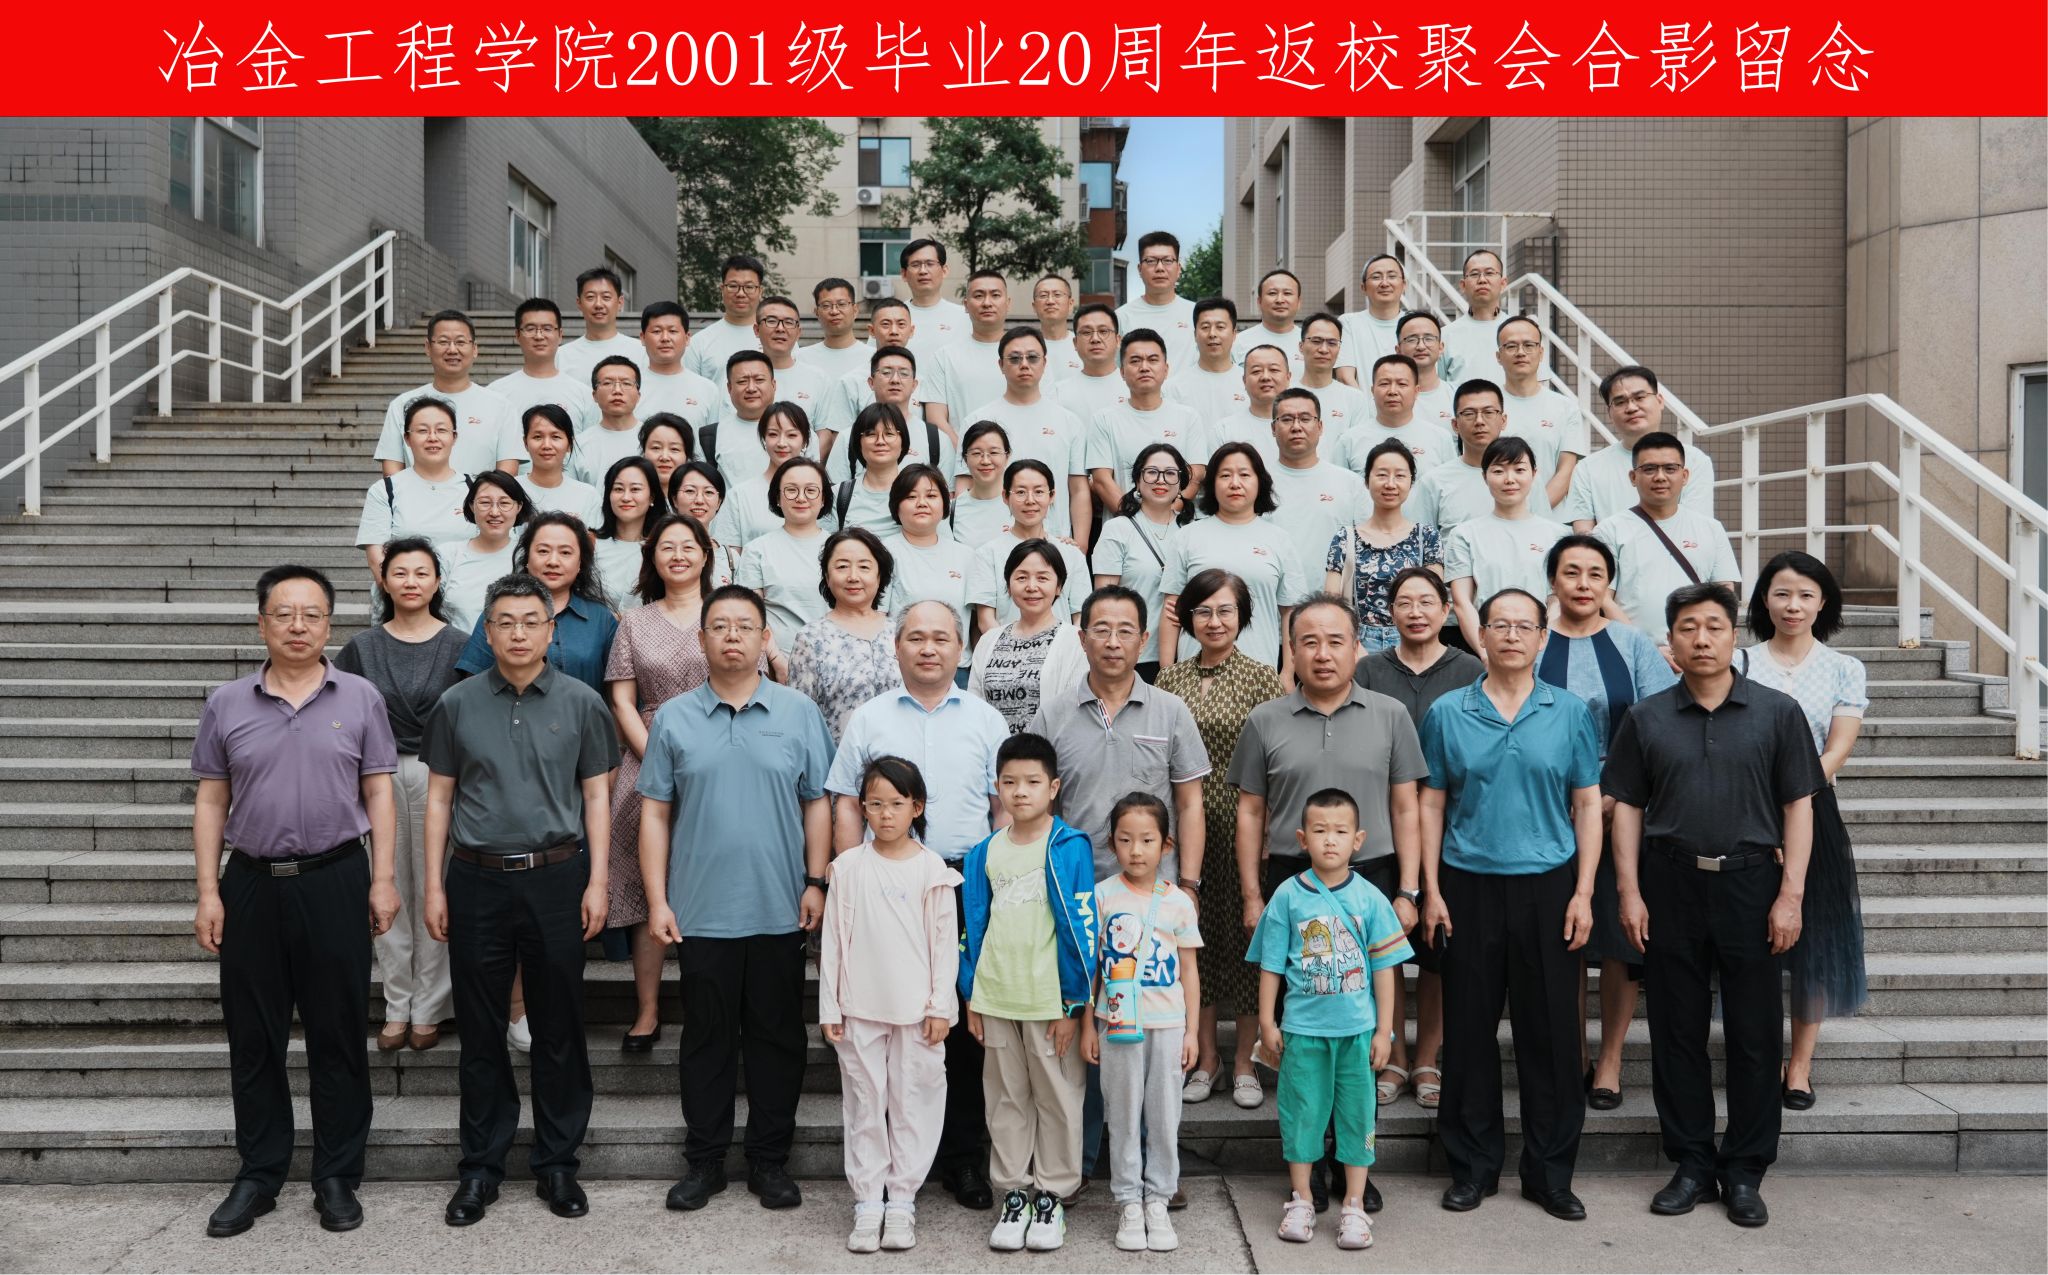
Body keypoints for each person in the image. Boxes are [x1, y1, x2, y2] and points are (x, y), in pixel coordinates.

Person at [1603, 582, 1825, 1228]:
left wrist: (1791, 895)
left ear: (1734, 636)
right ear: (1670, 641)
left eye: (1714, 627)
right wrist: (1629, 891)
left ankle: (1746, 1170)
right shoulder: (1646, 718)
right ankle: (1693, 1163)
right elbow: (1627, 808)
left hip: (1753, 885)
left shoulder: (1777, 713)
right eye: (1688, 628)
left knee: (1755, 1033)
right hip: (1669, 882)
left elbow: (1799, 807)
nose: (1701, 639)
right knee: (1676, 1031)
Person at [191, 565, 399, 1239]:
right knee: (254, 1035)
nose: (298, 625)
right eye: (284, 614)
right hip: (251, 881)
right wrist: (208, 890)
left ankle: (337, 1174)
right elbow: (212, 800)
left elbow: (379, 791)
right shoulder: (227, 703)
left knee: (338, 1030)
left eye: (311, 614)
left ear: (329, 624)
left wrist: (383, 878)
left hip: (336, 876)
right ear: (262, 623)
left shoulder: (360, 697)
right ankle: (259, 1173)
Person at [420, 571, 618, 1227]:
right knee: (480, 1029)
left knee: (559, 1024)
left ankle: (558, 1162)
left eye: (531, 621)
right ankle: (480, 1167)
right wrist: (433, 884)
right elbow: (439, 799)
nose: (518, 633)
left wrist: (598, 880)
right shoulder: (457, 703)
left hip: (557, 875)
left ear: (551, 630)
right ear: (488, 629)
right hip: (475, 877)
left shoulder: (583, 702)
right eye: (504, 621)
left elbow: (597, 796)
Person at [640, 584, 837, 1214]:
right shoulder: (673, 717)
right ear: (701, 639)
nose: (732, 636)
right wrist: (657, 900)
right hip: (701, 910)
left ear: (763, 638)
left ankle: (769, 1161)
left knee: (778, 1038)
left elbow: (818, 802)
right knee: (706, 1039)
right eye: (719, 626)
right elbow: (655, 813)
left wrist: (816, 881)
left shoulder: (798, 712)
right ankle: (704, 1162)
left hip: (780, 906)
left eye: (744, 626)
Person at [1231, 595, 1427, 1213]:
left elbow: (1406, 806)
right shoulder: (1265, 719)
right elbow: (1250, 812)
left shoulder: (1391, 714)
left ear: (1356, 646)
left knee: (1358, 1030)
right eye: (1309, 641)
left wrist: (1408, 889)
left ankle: (1353, 1167)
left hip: (1371, 879)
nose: (1322, 653)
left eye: (1335, 640)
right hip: (1292, 881)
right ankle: (1306, 1171)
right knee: (1301, 1038)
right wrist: (1253, 895)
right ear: (1291, 649)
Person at [1419, 587, 1604, 1221]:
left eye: (1525, 626)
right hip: (1466, 884)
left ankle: (1550, 1174)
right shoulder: (1448, 711)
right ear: (1481, 634)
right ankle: (1472, 1168)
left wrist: (1584, 891)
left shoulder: (1569, 711)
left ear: (1543, 637)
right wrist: (1431, 889)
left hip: (1549, 885)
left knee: (1551, 1034)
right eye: (1500, 625)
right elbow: (1431, 803)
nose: (1511, 636)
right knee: (1469, 1031)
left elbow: (1587, 803)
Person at [827, 601, 1010, 1209]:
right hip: (881, 882)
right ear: (896, 646)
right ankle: (884, 1168)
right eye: (915, 638)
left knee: (959, 1021)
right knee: (885, 1019)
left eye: (941, 638)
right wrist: (849, 878)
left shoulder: (985, 719)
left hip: (964, 883)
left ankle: (961, 1159)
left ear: (961, 649)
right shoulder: (870, 718)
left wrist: (1000, 886)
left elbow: (1002, 808)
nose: (928, 648)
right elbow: (846, 800)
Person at [1538, 537, 1677, 1112]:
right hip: (1547, 812)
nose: (1583, 584)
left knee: (1621, 936)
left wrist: (1615, 794)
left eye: (1595, 574)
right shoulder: (1535, 640)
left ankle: (1611, 1059)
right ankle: (1571, 1053)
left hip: (1624, 809)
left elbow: (1660, 723)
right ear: (1553, 580)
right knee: (1563, 937)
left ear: (1609, 585)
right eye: (1571, 572)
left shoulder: (1631, 643)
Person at [1250, 789, 1412, 1251]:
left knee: (1356, 1116)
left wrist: (1384, 1030)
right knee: (1302, 1113)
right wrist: (1267, 1022)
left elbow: (1384, 970)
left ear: (1358, 840)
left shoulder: (1371, 898)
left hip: (1356, 1032)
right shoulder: (1287, 896)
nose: (1329, 840)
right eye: (1319, 831)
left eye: (1340, 831)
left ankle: (1354, 1205)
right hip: (1303, 1031)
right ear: (1302, 838)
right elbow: (1271, 966)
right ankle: (1301, 1198)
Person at [959, 732, 1099, 1253]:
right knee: (1005, 1099)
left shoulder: (1069, 846)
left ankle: (1053, 1196)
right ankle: (1014, 1192)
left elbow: (1082, 927)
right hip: (997, 996)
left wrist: (1073, 1004)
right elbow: (972, 929)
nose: (1020, 791)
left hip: (1049, 1001)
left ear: (1053, 788)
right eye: (1010, 782)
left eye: (1032, 782)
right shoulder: (983, 853)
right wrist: (972, 995)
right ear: (996, 787)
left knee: (1058, 1098)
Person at [1740, 552, 1870, 1111]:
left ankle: (1799, 1066)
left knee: (1813, 941)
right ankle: (1759, 1055)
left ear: (1823, 603)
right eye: (1782, 593)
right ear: (1764, 600)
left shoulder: (1844, 668)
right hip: (1744, 814)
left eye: (1806, 595)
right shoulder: (1740, 662)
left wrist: (1792, 797)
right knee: (1752, 939)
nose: (1793, 605)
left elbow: (1837, 748)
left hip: (1815, 809)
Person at [820, 756, 963, 1254]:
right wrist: (830, 1006)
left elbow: (944, 945)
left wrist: (941, 1005)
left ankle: (902, 1199)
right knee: (864, 1101)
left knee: (915, 1100)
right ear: (862, 808)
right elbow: (833, 942)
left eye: (896, 804)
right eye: (875, 804)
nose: (885, 814)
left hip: (918, 1011)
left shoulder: (932, 870)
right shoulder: (848, 868)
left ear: (915, 808)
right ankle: (868, 1201)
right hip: (860, 1006)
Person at [1354, 567, 1484, 1111]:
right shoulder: (1368, 669)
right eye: (1404, 602)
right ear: (1389, 612)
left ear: (1447, 611)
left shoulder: (1469, 669)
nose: (1415, 612)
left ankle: (1428, 1055)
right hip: (1380, 829)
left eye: (1427, 602)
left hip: (1451, 827)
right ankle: (1394, 1055)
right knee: (1383, 950)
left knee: (1436, 951)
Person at [1153, 572, 1284, 1111]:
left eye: (1225, 611)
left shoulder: (1263, 679)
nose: (1214, 621)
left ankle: (1245, 1061)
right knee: (1194, 942)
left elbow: (1275, 761)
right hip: (1185, 829)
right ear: (1187, 618)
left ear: (1243, 617)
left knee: (1249, 943)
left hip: (1245, 829)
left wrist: (1270, 828)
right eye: (1203, 611)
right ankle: (1205, 1057)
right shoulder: (1168, 681)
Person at [603, 513, 728, 1053]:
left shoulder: (725, 612)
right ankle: (648, 1009)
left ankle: (715, 1006)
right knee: (643, 885)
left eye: (687, 546)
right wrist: (658, 761)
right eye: (666, 547)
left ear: (706, 554)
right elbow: (622, 700)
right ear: (651, 557)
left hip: (722, 756)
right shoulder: (633, 621)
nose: (677, 555)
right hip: (646, 758)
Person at [338, 540, 468, 1054]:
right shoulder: (362, 648)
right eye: (400, 572)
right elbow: (343, 713)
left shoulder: (460, 645)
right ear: (384, 581)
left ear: (437, 582)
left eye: (421, 572)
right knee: (386, 883)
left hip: (443, 773)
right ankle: (397, 1004)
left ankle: (431, 1006)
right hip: (378, 773)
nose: (411, 581)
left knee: (435, 884)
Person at [1080, 794, 1202, 1254]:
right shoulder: (1102, 896)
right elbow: (1093, 967)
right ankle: (1129, 1200)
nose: (1136, 850)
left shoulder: (1178, 903)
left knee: (1165, 1114)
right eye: (1126, 840)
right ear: (1112, 844)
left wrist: (1192, 1032)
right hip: (1116, 1023)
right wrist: (1089, 1025)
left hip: (1167, 1025)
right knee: (1123, 1113)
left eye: (1147, 840)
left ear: (1166, 845)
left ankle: (1159, 1197)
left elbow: (1189, 971)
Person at [1028, 585, 1211, 882]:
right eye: (1101, 631)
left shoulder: (1171, 710)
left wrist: (1189, 885)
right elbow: (1040, 809)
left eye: (1125, 632)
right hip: (1075, 886)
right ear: (1083, 640)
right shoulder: (1052, 716)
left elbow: (1190, 805)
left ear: (1143, 641)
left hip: (1155, 889)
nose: (1113, 643)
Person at [1159, 443, 1311, 673]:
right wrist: (1167, 671)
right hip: (1194, 674)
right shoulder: (1187, 537)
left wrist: (1288, 674)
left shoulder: (1280, 540)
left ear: (1260, 482)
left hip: (1260, 673)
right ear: (1212, 484)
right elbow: (1171, 612)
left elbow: (1291, 614)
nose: (1235, 483)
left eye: (1244, 474)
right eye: (1225, 475)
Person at [1592, 432, 1741, 646]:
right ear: (1633, 477)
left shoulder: (1711, 529)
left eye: (1670, 468)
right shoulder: (1609, 531)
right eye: (1649, 469)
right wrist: (1644, 649)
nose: (1660, 477)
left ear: (1685, 475)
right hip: (1630, 651)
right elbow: (1603, 599)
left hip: (1696, 650)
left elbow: (1724, 594)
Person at [454, 512, 618, 695]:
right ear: (527, 559)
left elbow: (618, 695)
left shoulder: (601, 619)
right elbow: (473, 688)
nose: (553, 561)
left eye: (565, 552)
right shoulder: (498, 612)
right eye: (543, 551)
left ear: (580, 563)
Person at [965, 328, 1092, 545]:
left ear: (1044, 363)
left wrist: (1080, 547)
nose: (1024, 364)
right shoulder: (978, 420)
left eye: (1032, 357)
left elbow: (1079, 489)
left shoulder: (1069, 422)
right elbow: (965, 485)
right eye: (1014, 358)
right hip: (992, 541)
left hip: (1054, 542)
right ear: (1001, 365)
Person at [1443, 437, 1570, 650]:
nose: (1509, 479)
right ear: (1484, 477)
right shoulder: (1464, 534)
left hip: (1540, 646)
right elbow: (1462, 602)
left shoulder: (1558, 535)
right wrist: (1485, 654)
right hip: (1484, 645)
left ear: (1534, 474)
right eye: (1498, 471)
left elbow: (1556, 599)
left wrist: (1541, 649)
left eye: (1519, 470)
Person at [1561, 365, 1718, 531]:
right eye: (1620, 402)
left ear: (1660, 401)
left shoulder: (1694, 460)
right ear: (1610, 413)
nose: (1631, 408)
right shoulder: (1587, 468)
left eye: (1640, 397)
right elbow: (1583, 532)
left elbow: (1696, 528)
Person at [372, 310, 522, 478]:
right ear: (428, 347)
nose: (452, 350)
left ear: (474, 349)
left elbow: (508, 471)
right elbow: (392, 472)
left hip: (481, 495)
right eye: (443, 342)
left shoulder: (501, 406)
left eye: (460, 342)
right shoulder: (402, 405)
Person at [1326, 439, 1442, 651]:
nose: (1390, 484)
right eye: (1381, 475)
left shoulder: (1427, 537)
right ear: (1366, 481)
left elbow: (1433, 602)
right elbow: (1332, 605)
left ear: (1411, 482)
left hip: (1413, 640)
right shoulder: (1345, 538)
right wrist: (1355, 649)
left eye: (1400, 476)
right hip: (1359, 643)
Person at [789, 527, 901, 742]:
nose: (853, 577)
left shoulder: (899, 633)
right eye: (842, 567)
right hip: (837, 758)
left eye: (864, 567)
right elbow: (799, 716)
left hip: (901, 758)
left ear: (880, 575)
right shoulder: (810, 638)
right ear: (827, 576)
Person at [1091, 445, 1190, 682]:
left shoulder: (1192, 531)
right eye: (1152, 472)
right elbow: (1104, 599)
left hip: (1187, 654)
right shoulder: (1118, 529)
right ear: (1137, 479)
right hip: (1133, 655)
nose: (1161, 480)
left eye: (1170, 473)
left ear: (1181, 483)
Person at [968, 539, 1088, 733]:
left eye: (1042, 578)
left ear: (1059, 586)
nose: (1032, 586)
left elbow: (1075, 711)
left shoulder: (1076, 640)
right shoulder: (989, 640)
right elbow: (974, 706)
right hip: (994, 750)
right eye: (1022, 577)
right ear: (1008, 586)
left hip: (1050, 750)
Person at [966, 459, 1090, 643]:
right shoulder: (987, 554)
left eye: (1039, 492)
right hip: (1006, 653)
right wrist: (1016, 650)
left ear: (1052, 496)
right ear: (1005, 496)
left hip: (1061, 652)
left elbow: (1080, 617)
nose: (1030, 500)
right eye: (1021, 492)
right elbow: (985, 621)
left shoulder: (1071, 554)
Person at [1086, 330, 1206, 511]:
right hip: (1123, 522)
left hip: (1176, 522)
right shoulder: (1104, 419)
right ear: (1122, 372)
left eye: (1152, 360)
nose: (1144, 367)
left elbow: (1195, 476)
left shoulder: (1188, 417)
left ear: (1166, 369)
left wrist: (1166, 515)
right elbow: (1102, 481)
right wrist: (1136, 521)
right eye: (1135, 361)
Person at [356, 397, 475, 580]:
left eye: (441, 430)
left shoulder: (475, 489)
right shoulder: (385, 490)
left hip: (465, 592)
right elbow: (377, 561)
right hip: (405, 594)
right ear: (407, 438)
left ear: (454, 437)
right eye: (422, 431)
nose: (432, 438)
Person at [1267, 388, 1370, 595]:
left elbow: (1367, 548)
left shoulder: (1350, 484)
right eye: (1286, 419)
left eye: (1305, 419)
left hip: (1333, 604)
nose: (1296, 427)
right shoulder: (1257, 483)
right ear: (1273, 428)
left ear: (1320, 426)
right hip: (1270, 603)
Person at [1408, 379, 1548, 531]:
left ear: (1503, 420)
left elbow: (1545, 533)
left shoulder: (1525, 479)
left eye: (1488, 412)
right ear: (1455, 425)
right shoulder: (1434, 482)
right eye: (1469, 414)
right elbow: (1420, 541)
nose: (1479, 421)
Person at [735, 456, 833, 653]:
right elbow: (751, 616)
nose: (801, 498)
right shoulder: (757, 550)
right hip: (776, 657)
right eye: (791, 490)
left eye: (811, 490)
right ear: (778, 498)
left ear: (823, 498)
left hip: (835, 656)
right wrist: (776, 660)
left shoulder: (840, 548)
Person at [878, 465, 976, 663]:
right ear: (896, 505)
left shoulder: (966, 556)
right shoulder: (883, 553)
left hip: (958, 669)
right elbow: (877, 619)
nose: (921, 503)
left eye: (931, 496)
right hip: (902, 668)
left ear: (944, 503)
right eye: (911, 496)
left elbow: (976, 623)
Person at [1493, 315, 1588, 510]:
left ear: (1541, 352)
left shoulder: (1565, 408)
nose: (1521, 352)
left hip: (1550, 519)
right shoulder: (1487, 407)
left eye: (1529, 345)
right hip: (1497, 516)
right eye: (1511, 346)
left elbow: (1565, 472)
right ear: (1498, 356)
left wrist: (1531, 514)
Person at [824, 345, 952, 483]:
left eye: (904, 373)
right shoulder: (848, 438)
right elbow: (835, 492)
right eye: (886, 372)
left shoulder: (937, 440)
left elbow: (946, 492)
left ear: (914, 385)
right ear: (871, 383)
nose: (895, 380)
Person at [818, 305, 927, 459]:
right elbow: (841, 442)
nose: (894, 331)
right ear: (871, 330)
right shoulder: (851, 381)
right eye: (886, 324)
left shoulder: (922, 381)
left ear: (911, 330)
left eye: (901, 324)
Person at [711, 401, 822, 549]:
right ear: (764, 439)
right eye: (773, 434)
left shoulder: (818, 494)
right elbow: (727, 555)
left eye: (791, 435)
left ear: (805, 441)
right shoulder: (740, 496)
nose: (781, 443)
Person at [435, 471, 531, 633]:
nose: (494, 512)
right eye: (485, 503)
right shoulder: (447, 554)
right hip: (455, 647)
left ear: (519, 507)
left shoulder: (527, 556)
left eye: (504, 503)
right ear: (472, 506)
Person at [1338, 354, 1458, 480]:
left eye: (1402, 384)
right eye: (1384, 383)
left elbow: (1451, 486)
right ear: (1372, 390)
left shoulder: (1441, 439)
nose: (1393, 391)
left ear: (1416, 391)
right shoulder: (1349, 441)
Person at [927, 272, 1011, 435]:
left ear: (1008, 303)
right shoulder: (944, 357)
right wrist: (963, 449)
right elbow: (936, 418)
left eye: (995, 295)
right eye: (979, 296)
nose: (987, 303)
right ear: (966, 304)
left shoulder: (1027, 356)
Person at [487, 297, 588, 422]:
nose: (539, 336)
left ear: (560, 335)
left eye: (547, 329)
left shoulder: (583, 395)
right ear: (517, 335)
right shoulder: (496, 392)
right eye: (530, 329)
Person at [742, 294, 833, 427]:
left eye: (789, 322)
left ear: (798, 332)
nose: (780, 328)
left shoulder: (818, 379)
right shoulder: (741, 377)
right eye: (771, 321)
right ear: (756, 330)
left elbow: (824, 431)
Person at [592, 456, 668, 612]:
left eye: (635, 489)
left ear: (652, 496)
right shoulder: (591, 544)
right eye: (618, 489)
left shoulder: (664, 548)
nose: (626, 497)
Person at [1116, 231, 1199, 374]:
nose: (1160, 268)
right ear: (1139, 269)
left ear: (1178, 268)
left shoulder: (1197, 315)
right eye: (1151, 261)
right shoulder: (1121, 317)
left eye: (1167, 261)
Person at [632, 301, 723, 426]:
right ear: (642, 338)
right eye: (657, 331)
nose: (665, 338)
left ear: (687, 338)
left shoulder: (708, 390)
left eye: (673, 331)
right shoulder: (629, 388)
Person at [1165, 297, 1247, 433]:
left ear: (1234, 334)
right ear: (1195, 335)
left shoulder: (1250, 384)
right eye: (1205, 327)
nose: (1212, 334)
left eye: (1220, 327)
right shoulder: (1173, 388)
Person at [558, 267, 650, 386]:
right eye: (590, 297)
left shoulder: (643, 352)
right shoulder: (561, 356)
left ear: (620, 302)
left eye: (606, 297)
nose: (598, 304)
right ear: (579, 303)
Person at [702, 350, 783, 482]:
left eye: (759, 380)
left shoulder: (797, 430)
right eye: (742, 381)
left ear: (773, 385)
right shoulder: (711, 436)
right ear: (729, 388)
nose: (751, 388)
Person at [516, 404, 604, 525]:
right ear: (525, 443)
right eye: (537, 437)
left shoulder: (588, 495)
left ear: (570, 444)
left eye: (555, 437)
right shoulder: (510, 490)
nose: (546, 445)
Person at [682, 255, 766, 381]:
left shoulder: (778, 339)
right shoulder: (699, 343)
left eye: (749, 287)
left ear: (760, 291)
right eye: (733, 286)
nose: (741, 293)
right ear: (722, 289)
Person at [1205, 346, 1291, 465]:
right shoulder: (1224, 431)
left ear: (1288, 377)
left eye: (1274, 370)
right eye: (1256, 371)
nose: (1265, 377)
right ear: (1244, 380)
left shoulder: (1306, 427)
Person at [835, 402, 913, 534]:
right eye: (871, 434)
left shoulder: (920, 492)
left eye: (889, 433)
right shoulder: (839, 495)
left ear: (903, 442)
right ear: (858, 443)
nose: (880, 441)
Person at [571, 356, 649, 486]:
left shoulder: (652, 439)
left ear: (638, 395)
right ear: (594, 395)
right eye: (607, 383)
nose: (617, 391)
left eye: (626, 383)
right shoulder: (579, 445)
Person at [1053, 305, 1129, 437]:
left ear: (1118, 340)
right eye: (1086, 332)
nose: (1095, 339)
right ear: (1075, 343)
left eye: (1103, 331)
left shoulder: (1135, 388)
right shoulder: (1058, 392)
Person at [1295, 313, 1374, 440]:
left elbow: (1359, 446)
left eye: (1332, 343)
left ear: (1339, 348)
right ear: (1301, 346)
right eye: (1316, 341)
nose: (1323, 349)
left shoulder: (1355, 399)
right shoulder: (1284, 395)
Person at [1335, 255, 1409, 383]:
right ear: (1363, 287)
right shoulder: (1349, 323)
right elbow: (1345, 377)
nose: (1384, 283)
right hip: (1359, 397)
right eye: (1376, 277)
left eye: (1392, 276)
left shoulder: (1414, 323)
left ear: (1404, 285)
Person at [1438, 250, 1508, 383]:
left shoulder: (1523, 332)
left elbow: (1536, 386)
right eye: (1475, 274)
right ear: (1463, 285)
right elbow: (1440, 387)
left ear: (1503, 283)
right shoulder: (1446, 336)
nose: (1482, 280)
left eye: (1489, 273)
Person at [668, 460, 740, 589]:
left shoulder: (730, 557)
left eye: (709, 492)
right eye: (690, 491)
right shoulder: (659, 550)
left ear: (719, 502)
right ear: (674, 499)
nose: (699, 500)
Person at [899, 239, 970, 367]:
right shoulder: (891, 316)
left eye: (930, 264)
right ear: (904, 274)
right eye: (915, 265)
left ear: (944, 270)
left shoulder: (965, 317)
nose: (923, 271)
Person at [798, 277, 873, 385]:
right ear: (816, 312)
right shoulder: (800, 359)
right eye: (826, 305)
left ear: (855, 310)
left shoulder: (873, 358)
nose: (834, 311)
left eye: (841, 304)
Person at [953, 421, 1014, 552]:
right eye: (976, 453)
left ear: (1007, 456)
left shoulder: (1021, 505)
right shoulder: (952, 510)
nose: (985, 461)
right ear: (965, 459)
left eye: (994, 452)